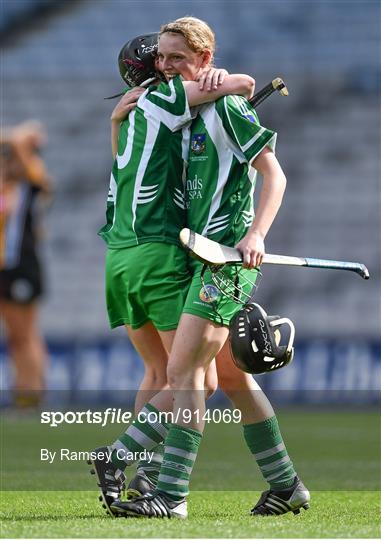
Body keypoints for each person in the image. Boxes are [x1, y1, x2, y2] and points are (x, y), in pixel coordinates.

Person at [108, 17, 310, 519]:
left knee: (183, 371)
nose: (167, 66)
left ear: (204, 60)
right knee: (228, 377)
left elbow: (275, 175)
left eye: (178, 57)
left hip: (228, 261)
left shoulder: (230, 107)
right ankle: (286, 485)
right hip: (198, 257)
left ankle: (161, 489)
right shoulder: (190, 112)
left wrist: (257, 233)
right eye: (162, 58)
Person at [93, 31, 256, 515]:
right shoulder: (165, 97)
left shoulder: (124, 116)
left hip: (118, 258)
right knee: (195, 380)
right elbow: (245, 84)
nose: (168, 66)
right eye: (161, 60)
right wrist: (221, 78)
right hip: (157, 254)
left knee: (158, 371)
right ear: (152, 70)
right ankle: (137, 467)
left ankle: (140, 471)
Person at [0, 121, 52, 409]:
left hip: (23, 266)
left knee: (25, 332)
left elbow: (24, 137)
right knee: (16, 336)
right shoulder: (7, 186)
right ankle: (24, 389)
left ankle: (32, 393)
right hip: (6, 268)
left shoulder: (34, 179)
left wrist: (18, 136)